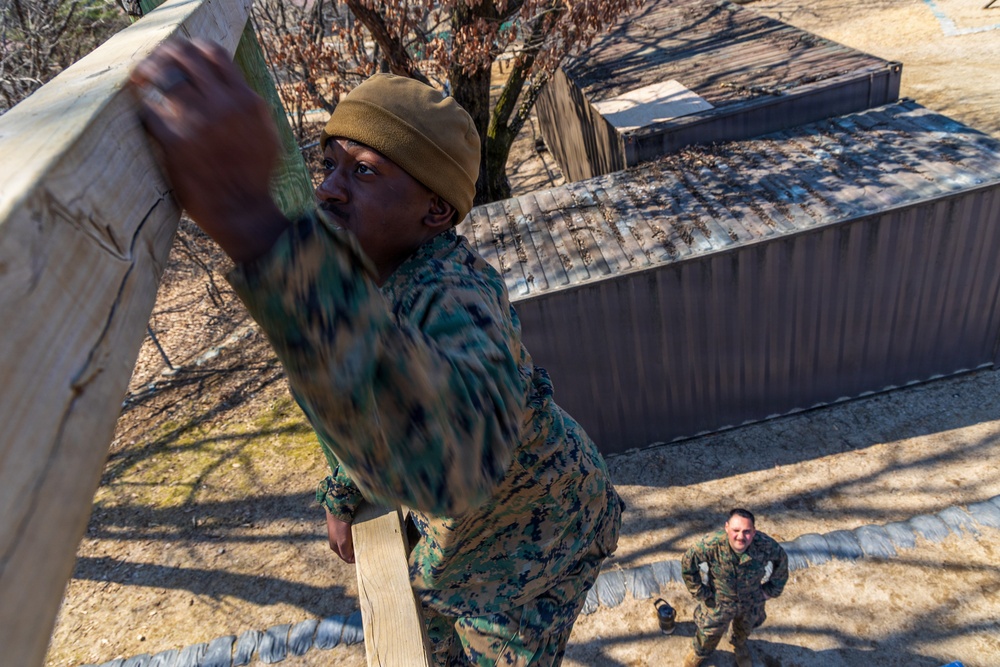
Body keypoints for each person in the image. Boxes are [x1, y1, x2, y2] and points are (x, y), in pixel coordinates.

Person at [130, 39, 623, 666]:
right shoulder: (362, 268)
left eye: (363, 171)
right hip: (457, 548)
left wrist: (250, 220)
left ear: (435, 210)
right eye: (329, 164)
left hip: (541, 545)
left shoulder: (457, 293)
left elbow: (452, 460)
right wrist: (342, 494)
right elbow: (366, 392)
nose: (329, 190)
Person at [680, 509, 788, 667]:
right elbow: (688, 563)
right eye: (735, 530)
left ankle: (738, 645)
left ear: (754, 531)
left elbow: (782, 562)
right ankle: (700, 652)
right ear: (727, 528)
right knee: (709, 632)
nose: (740, 537)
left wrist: (770, 590)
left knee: (744, 628)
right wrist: (700, 592)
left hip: (750, 600)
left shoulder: (765, 545)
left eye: (747, 532)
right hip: (718, 601)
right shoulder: (711, 544)